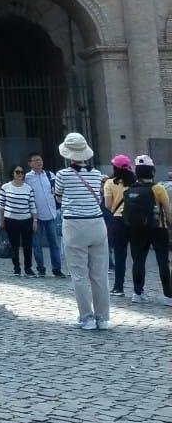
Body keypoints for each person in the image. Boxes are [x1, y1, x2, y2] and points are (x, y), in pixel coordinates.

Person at [53, 133, 110, 330]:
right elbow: (100, 200)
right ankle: (102, 318)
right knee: (100, 274)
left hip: (75, 225)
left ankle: (86, 317)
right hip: (97, 224)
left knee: (79, 274)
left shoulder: (62, 174)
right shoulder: (96, 175)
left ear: (68, 154)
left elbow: (58, 198)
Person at [123, 155, 172, 305]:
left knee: (138, 261)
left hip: (137, 229)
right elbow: (168, 211)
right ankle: (168, 296)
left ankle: (137, 293)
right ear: (152, 171)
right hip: (158, 229)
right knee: (163, 262)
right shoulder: (158, 188)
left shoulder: (130, 188)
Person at [24, 152, 63, 277]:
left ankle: (57, 269)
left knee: (55, 244)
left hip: (51, 214)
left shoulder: (49, 175)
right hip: (36, 216)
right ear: (30, 163)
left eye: (40, 160)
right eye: (35, 160)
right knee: (37, 244)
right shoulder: (27, 178)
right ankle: (41, 268)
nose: (38, 162)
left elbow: (56, 190)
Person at [103, 155, 135, 296]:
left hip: (118, 221)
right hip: (135, 222)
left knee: (119, 255)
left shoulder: (109, 183)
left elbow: (107, 205)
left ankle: (118, 287)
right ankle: (139, 290)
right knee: (137, 256)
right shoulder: (135, 182)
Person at [0, 165, 38, 276]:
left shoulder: (28, 188)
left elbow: (32, 205)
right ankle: (16, 267)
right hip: (11, 220)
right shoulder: (5, 187)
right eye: (18, 172)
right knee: (14, 245)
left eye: (22, 172)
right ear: (13, 173)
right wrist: (1, 220)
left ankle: (28, 268)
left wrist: (35, 220)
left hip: (26, 220)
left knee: (27, 245)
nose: (20, 174)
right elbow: (1, 206)